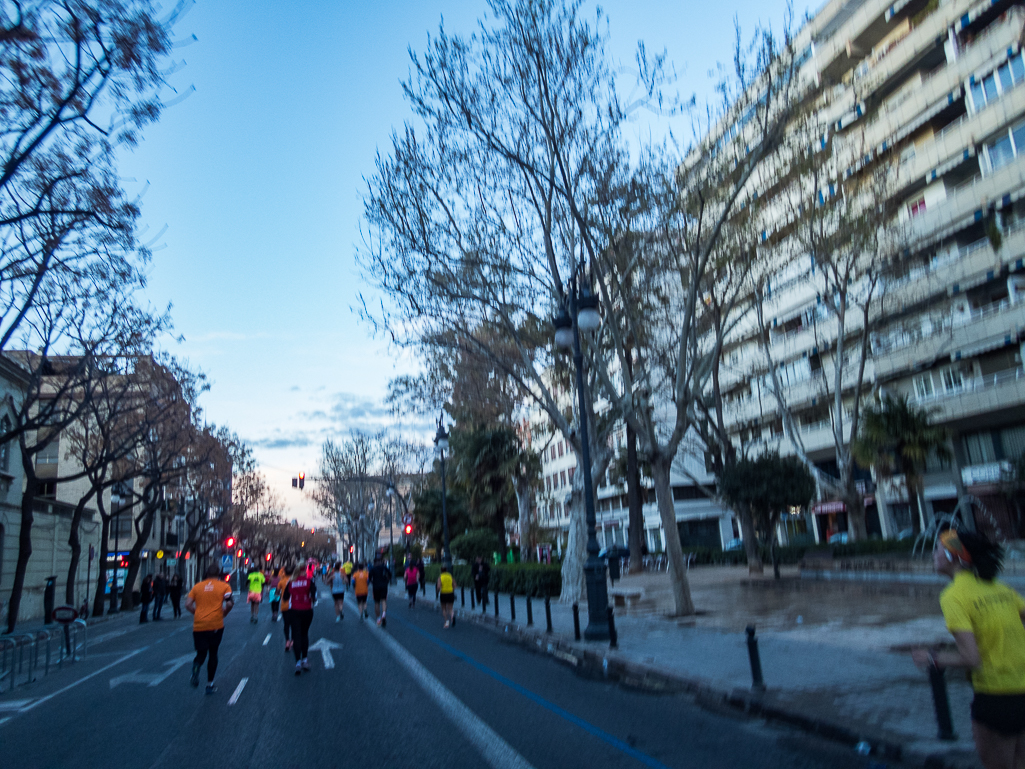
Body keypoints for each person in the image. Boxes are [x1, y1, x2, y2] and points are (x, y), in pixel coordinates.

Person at [912, 529, 1025, 769]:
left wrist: (931, 657)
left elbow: (971, 657)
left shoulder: (953, 596)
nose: (933, 554)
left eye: (938, 549)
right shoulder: (1001, 589)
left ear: (954, 557)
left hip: (995, 697)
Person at [185, 564, 234, 695]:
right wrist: (225, 613)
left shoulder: (197, 587)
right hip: (215, 624)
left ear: (206, 573)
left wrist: (196, 612)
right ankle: (209, 685)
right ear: (218, 574)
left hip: (199, 625)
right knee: (213, 653)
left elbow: (187, 604)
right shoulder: (224, 586)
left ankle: (196, 668)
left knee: (201, 654)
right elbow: (229, 603)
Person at [282, 563, 316, 675]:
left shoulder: (291, 582)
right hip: (307, 610)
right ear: (304, 571)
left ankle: (297, 662)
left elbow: (285, 597)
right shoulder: (309, 581)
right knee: (304, 634)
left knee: (296, 635)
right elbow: (313, 596)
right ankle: (305, 659)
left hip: (294, 611)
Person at [368, 554, 392, 627]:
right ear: (381, 561)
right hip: (384, 586)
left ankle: (378, 619)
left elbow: (369, 578)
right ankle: (384, 614)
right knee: (384, 601)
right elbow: (390, 574)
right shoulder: (384, 567)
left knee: (377, 603)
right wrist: (387, 581)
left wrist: (373, 582)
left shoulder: (372, 569)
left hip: (376, 586)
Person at [278, 567, 293, 651]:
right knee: (294, 624)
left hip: (284, 605)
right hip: (295, 605)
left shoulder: (282, 581)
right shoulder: (295, 581)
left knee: (286, 624)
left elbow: (277, 592)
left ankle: (287, 641)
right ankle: (293, 640)